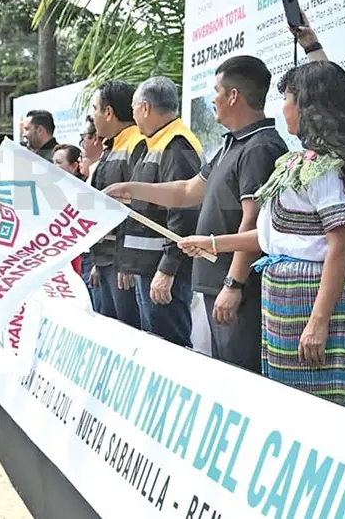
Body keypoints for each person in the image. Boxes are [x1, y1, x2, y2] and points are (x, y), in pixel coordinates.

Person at [179, 61, 345, 412]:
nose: (282, 107)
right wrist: (212, 244)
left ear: (308, 105)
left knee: (329, 408)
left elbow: (340, 244)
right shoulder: (298, 164)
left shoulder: (335, 168)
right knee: (290, 406)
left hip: (319, 307)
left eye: (287, 98)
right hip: (286, 310)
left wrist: (318, 320)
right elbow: (271, 237)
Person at [105, 56, 287, 371]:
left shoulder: (260, 148)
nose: (212, 99)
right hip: (217, 284)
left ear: (233, 96)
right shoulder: (233, 145)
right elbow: (188, 191)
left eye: (216, 90)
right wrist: (132, 189)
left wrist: (234, 284)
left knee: (241, 375)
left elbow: (253, 223)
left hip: (236, 288)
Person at [116, 76, 202, 348]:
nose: (133, 116)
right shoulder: (152, 144)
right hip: (147, 267)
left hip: (164, 271)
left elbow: (184, 214)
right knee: (152, 344)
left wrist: (167, 269)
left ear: (145, 108)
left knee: (169, 347)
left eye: (133, 109)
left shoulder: (177, 145)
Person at [88, 82, 145, 325]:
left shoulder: (136, 144)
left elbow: (139, 209)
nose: (92, 115)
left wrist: (127, 261)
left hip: (122, 264)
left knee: (129, 330)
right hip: (106, 260)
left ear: (109, 112)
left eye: (94, 108)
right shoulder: (111, 147)